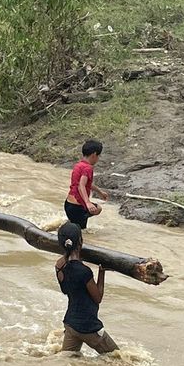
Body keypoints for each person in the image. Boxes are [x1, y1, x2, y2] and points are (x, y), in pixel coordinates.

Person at [55, 221, 119, 355]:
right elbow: (98, 298)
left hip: (70, 325)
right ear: (80, 242)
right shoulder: (84, 271)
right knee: (118, 358)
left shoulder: (59, 266)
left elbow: (65, 290)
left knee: (68, 360)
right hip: (88, 327)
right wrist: (102, 272)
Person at [64, 139, 109, 229]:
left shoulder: (79, 165)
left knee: (97, 209)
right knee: (81, 233)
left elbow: (87, 184)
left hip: (68, 204)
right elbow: (81, 185)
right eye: (98, 156)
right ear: (94, 155)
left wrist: (100, 192)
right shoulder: (88, 168)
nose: (98, 159)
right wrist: (88, 202)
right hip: (77, 207)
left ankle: (71, 223)